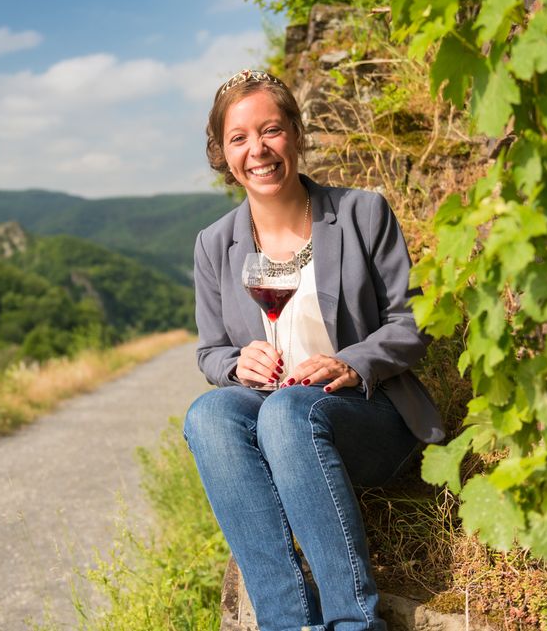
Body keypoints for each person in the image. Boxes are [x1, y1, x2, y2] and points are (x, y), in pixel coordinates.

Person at [185, 69, 445, 631]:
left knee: (287, 412)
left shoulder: (362, 213)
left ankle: (354, 623)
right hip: (274, 413)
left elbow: (412, 323)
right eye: (238, 138)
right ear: (223, 154)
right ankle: (288, 622)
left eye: (271, 130)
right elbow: (211, 353)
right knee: (208, 415)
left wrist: (352, 362)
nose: (257, 150)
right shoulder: (214, 244)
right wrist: (236, 363)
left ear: (296, 134)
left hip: (366, 415)